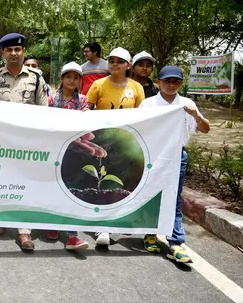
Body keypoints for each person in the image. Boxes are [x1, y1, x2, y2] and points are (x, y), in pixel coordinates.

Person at [0, 33, 49, 251]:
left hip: (27, 142)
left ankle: (24, 231)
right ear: (3, 53)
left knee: (26, 184)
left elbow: (44, 111)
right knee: (1, 181)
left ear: (23, 52)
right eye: (9, 50)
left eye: (18, 50)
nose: (14, 53)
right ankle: (1, 220)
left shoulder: (36, 78)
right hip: (1, 141)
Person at [140, 66, 210, 263]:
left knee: (174, 197)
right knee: (152, 195)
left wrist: (196, 115)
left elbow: (205, 129)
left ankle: (176, 242)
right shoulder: (148, 104)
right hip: (153, 156)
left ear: (181, 83)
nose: (171, 85)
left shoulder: (187, 104)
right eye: (167, 81)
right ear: (159, 82)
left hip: (177, 156)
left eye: (176, 82)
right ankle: (150, 233)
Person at [86, 47, 145, 247]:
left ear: (128, 65)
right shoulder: (98, 85)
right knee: (105, 183)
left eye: (119, 61)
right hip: (104, 143)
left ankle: (120, 219)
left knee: (125, 183)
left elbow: (142, 115)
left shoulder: (137, 88)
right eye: (111, 61)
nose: (114, 65)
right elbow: (87, 109)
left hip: (127, 144)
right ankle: (102, 226)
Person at [47, 62, 91, 250]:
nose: (71, 80)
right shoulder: (51, 100)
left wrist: (89, 116)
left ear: (79, 80)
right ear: (62, 79)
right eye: (68, 76)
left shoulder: (83, 101)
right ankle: (53, 224)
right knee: (54, 187)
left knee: (73, 188)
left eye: (75, 77)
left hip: (76, 152)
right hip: (55, 150)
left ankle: (72, 235)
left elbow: (87, 124)